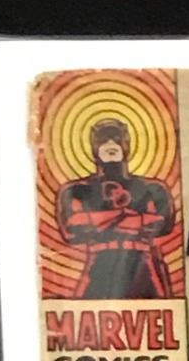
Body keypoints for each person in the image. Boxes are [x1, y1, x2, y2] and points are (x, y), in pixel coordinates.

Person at [55, 118, 174, 299]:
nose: (111, 143)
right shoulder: (77, 189)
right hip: (98, 265)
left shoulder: (152, 188)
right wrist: (125, 214)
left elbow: (162, 223)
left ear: (126, 145)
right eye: (103, 139)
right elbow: (72, 229)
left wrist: (99, 220)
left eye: (117, 139)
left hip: (143, 264)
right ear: (94, 148)